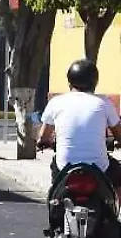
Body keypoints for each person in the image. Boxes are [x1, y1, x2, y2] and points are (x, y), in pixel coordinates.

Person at [37, 58, 121, 189]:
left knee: (55, 180)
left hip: (65, 167)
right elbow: (118, 133)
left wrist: (43, 143)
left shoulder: (56, 102)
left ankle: (55, 199)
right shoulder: (104, 103)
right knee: (118, 175)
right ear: (95, 82)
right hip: (99, 167)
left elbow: (43, 136)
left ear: (69, 82)